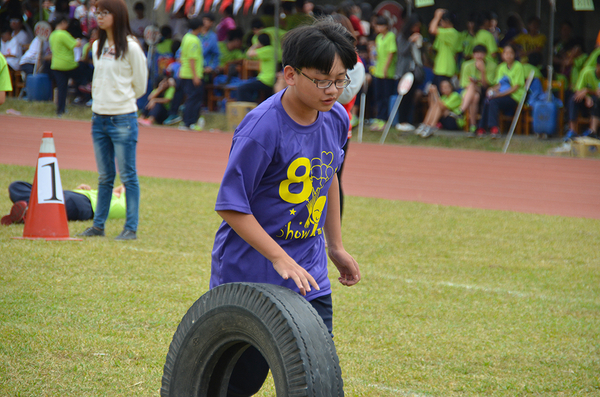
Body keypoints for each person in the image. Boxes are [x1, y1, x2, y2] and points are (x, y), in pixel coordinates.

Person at [210, 19, 360, 396]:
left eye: (341, 80)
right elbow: (231, 205)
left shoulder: (337, 118)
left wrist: (335, 246)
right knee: (238, 382)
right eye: (323, 80)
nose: (333, 90)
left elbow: (329, 178)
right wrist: (279, 258)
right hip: (251, 273)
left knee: (315, 375)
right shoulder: (261, 127)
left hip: (310, 275)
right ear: (291, 74)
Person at [77, 0, 147, 241]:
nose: (100, 17)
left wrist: (120, 101)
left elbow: (140, 85)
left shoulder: (131, 47)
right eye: (98, 13)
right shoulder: (97, 45)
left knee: (128, 175)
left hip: (122, 119)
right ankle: (98, 226)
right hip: (99, 118)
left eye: (105, 13)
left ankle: (131, 228)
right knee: (105, 176)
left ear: (117, 15)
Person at [1, 181, 126, 225]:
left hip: (83, 204)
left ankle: (30, 210)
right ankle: (29, 211)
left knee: (54, 204)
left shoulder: (124, 207)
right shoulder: (111, 195)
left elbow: (126, 186)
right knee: (17, 185)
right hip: (71, 195)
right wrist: (80, 189)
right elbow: (116, 189)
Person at [476, 44, 525, 139]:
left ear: (514, 55)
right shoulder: (501, 67)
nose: (508, 55)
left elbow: (515, 87)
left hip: (514, 97)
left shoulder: (518, 66)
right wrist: (491, 90)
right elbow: (499, 84)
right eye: (506, 53)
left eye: (511, 53)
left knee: (494, 101)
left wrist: (499, 94)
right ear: (502, 55)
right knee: (487, 100)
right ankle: (482, 128)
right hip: (501, 95)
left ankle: (494, 128)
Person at [48, 15, 84, 116]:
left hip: (56, 64)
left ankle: (60, 109)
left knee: (61, 88)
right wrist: (79, 40)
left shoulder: (52, 35)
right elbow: (75, 44)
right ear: (63, 23)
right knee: (82, 78)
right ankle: (83, 97)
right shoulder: (63, 34)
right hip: (68, 64)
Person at [458, 44, 497, 134]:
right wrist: (474, 84)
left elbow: (486, 85)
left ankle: (461, 110)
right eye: (476, 53)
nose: (478, 56)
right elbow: (464, 84)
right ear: (473, 55)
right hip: (470, 93)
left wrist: (483, 71)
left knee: (473, 87)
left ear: (485, 54)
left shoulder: (492, 65)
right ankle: (473, 126)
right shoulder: (466, 65)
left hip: (485, 91)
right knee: (475, 96)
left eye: (481, 53)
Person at [393, 15, 422, 131]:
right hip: (403, 71)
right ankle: (401, 120)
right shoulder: (402, 36)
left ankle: (408, 120)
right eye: (415, 26)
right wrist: (411, 41)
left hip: (413, 71)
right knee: (403, 97)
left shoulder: (416, 36)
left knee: (410, 97)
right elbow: (402, 51)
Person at [368, 15, 396, 132]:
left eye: (381, 25)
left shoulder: (390, 36)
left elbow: (391, 53)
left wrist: (385, 68)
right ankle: (379, 118)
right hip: (377, 71)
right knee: (378, 95)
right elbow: (377, 54)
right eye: (377, 26)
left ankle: (384, 119)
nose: (379, 28)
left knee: (385, 96)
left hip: (387, 72)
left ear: (386, 26)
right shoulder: (378, 37)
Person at [237, 33, 275, 102]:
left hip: (266, 79)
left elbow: (249, 53)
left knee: (241, 88)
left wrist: (255, 45)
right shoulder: (271, 49)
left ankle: (251, 107)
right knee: (246, 86)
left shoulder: (268, 49)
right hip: (266, 78)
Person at [429, 8, 461, 88]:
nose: (440, 23)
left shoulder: (452, 32)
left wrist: (437, 16)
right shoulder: (443, 33)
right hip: (439, 68)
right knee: (433, 91)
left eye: (441, 21)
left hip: (445, 68)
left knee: (442, 92)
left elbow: (432, 30)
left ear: (447, 21)